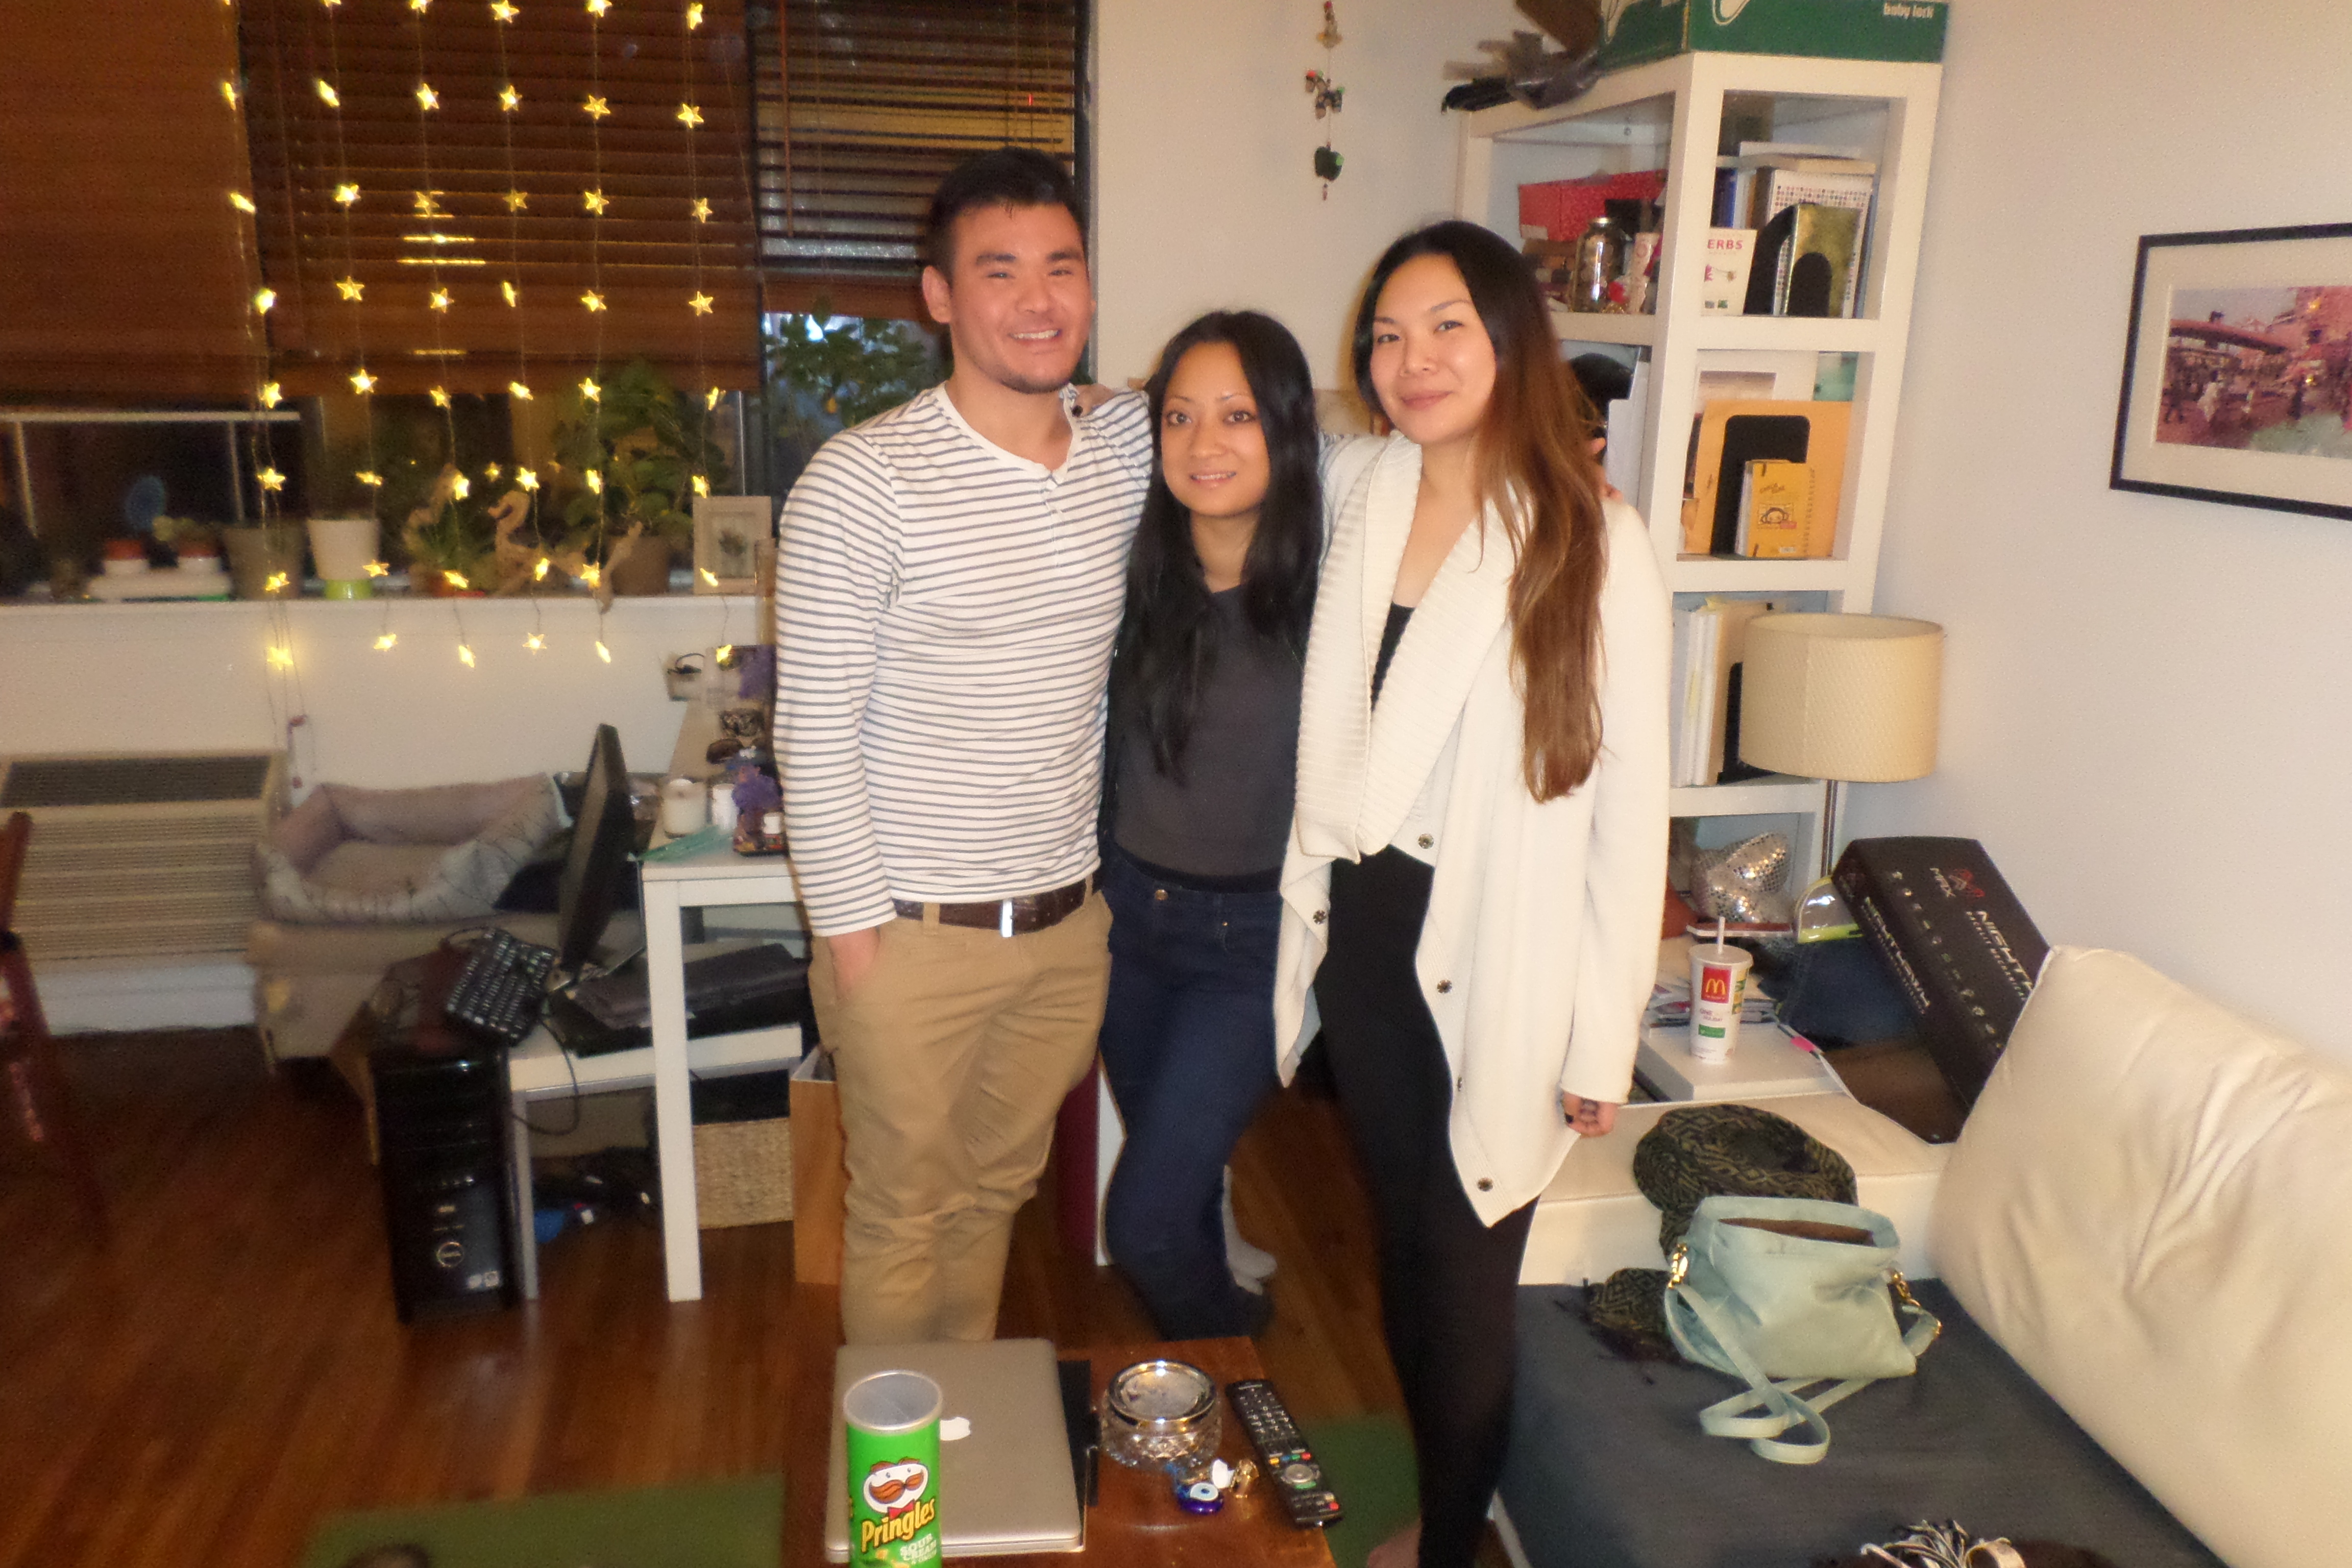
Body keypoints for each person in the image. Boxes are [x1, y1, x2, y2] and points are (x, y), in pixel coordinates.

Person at [1272, 220, 1670, 1568]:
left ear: (1510, 340)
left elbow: (1632, 810)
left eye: (1447, 326)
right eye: (1388, 335)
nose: (1414, 359)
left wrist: (1602, 1039)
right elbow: (1234, 451)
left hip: (1500, 957)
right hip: (1366, 942)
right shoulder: (1361, 491)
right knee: (1403, 1244)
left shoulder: (1593, 536)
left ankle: (1450, 1549)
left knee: (1465, 1264)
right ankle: (1446, 1518)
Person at [772, 147, 1153, 1345]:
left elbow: (1282, 440)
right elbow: (813, 734)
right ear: (939, 296)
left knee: (996, 1194)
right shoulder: (861, 482)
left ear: (1089, 284)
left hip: (1068, 927)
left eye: (1061, 267)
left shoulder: (1129, 448)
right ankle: (899, 1472)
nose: (1039, 300)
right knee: (900, 1214)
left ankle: (961, 1434)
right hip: (912, 937)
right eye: (1000, 271)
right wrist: (857, 949)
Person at [1096, 310, 1322, 1340]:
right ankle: (1216, 1388)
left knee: (1142, 1222)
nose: (1203, 443)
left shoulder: (1335, 589)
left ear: (1286, 428)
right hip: (1125, 926)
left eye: (1237, 415)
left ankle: (1228, 1354)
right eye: (1179, 416)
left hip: (1251, 946)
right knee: (1179, 1193)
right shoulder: (1131, 575)